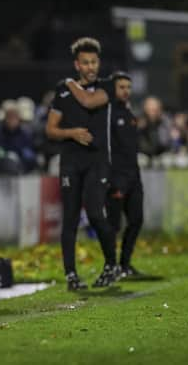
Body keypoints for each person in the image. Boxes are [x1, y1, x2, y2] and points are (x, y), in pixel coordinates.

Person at [46, 37, 118, 290]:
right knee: (71, 219)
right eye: (86, 62)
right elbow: (51, 129)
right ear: (77, 64)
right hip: (70, 163)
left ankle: (112, 264)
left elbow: (88, 101)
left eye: (94, 62)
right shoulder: (63, 92)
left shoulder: (108, 87)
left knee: (97, 213)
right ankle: (71, 276)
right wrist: (72, 133)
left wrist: (68, 82)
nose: (91, 67)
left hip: (97, 161)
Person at [103, 72, 145, 277]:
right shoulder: (107, 113)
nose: (126, 91)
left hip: (133, 175)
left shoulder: (129, 113)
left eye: (128, 87)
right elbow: (106, 148)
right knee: (113, 225)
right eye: (122, 87)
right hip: (116, 176)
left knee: (137, 219)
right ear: (113, 89)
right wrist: (110, 178)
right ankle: (111, 266)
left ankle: (125, 264)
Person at [0, 99, 37, 174]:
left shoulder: (26, 133)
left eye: (15, 116)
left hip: (21, 169)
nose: (12, 120)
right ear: (4, 117)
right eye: (10, 116)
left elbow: (29, 155)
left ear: (19, 118)